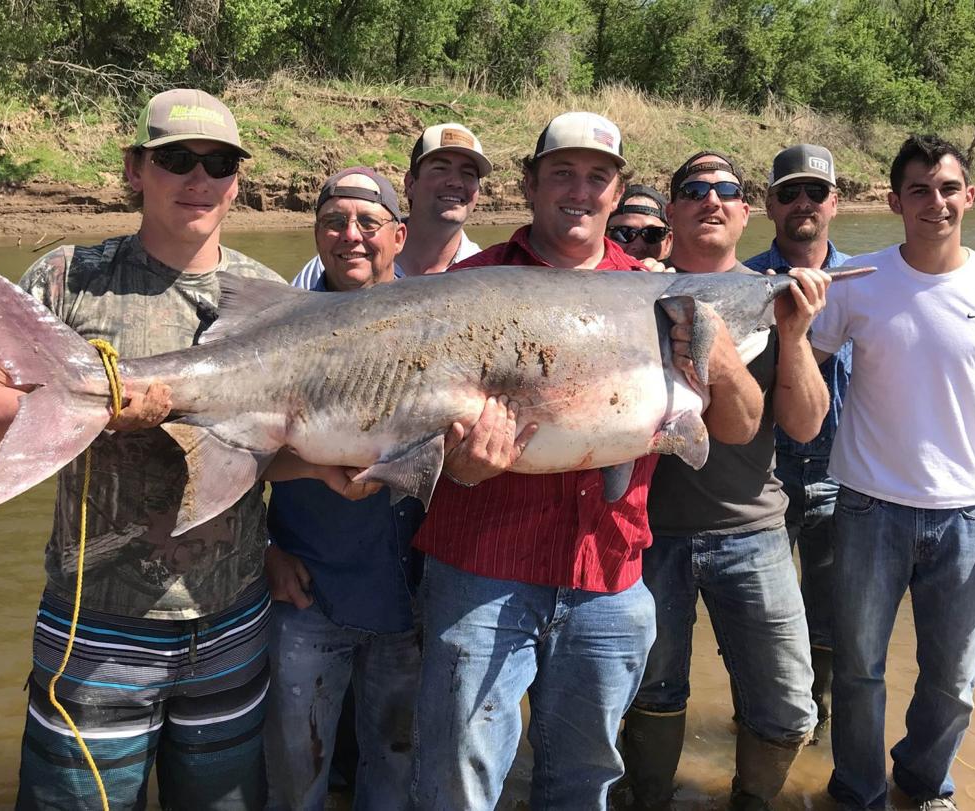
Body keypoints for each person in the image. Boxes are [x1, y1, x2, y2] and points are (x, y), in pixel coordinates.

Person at [0, 89, 357, 811]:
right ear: (136, 168)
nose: (198, 179)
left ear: (239, 178)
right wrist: (107, 412)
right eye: (176, 159)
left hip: (230, 622)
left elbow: (270, 444)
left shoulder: (268, 298)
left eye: (218, 162)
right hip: (96, 629)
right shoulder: (69, 277)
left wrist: (324, 464)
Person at [409, 114, 764, 811]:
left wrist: (716, 357)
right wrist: (457, 462)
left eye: (598, 176)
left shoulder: (667, 295)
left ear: (619, 189)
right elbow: (411, 419)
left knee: (584, 782)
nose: (581, 190)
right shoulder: (463, 285)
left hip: (609, 578)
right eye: (562, 173)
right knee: (458, 776)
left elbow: (740, 424)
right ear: (530, 183)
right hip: (480, 570)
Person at [813, 135, 975, 811]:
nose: (935, 202)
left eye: (947, 188)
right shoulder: (857, 282)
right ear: (894, 201)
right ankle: (857, 791)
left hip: (966, 515)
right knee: (859, 671)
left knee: (954, 679)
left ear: (971, 196)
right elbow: (802, 366)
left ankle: (921, 780)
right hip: (866, 506)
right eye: (918, 189)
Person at [623, 151, 832, 811]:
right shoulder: (633, 292)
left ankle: (753, 800)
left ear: (746, 211)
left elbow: (803, 427)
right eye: (693, 190)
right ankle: (649, 798)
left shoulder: (777, 295)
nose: (711, 199)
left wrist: (795, 337)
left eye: (726, 190)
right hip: (649, 532)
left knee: (789, 703)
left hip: (753, 529)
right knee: (652, 693)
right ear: (673, 212)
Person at [262, 167, 420, 811]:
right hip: (306, 592)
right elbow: (229, 448)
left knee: (396, 771)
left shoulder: (442, 320)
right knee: (296, 777)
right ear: (316, 234)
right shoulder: (281, 325)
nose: (350, 236)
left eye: (368, 223)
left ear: (399, 236)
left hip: (414, 595)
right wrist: (262, 549)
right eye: (334, 223)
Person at [743, 144, 852, 742]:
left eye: (815, 191)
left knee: (835, 622)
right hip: (765, 478)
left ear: (836, 202)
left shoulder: (868, 281)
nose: (802, 202)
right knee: (761, 627)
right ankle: (758, 722)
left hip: (846, 476)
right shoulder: (742, 281)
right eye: (789, 192)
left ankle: (820, 731)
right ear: (768, 204)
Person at [291, 123, 490, 288]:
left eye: (468, 173)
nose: (455, 182)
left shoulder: (483, 272)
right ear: (410, 183)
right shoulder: (340, 260)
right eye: (440, 169)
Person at [605, 183, 673, 262]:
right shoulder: (589, 272)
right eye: (624, 233)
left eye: (652, 234)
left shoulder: (684, 274)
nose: (638, 246)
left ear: (667, 243)